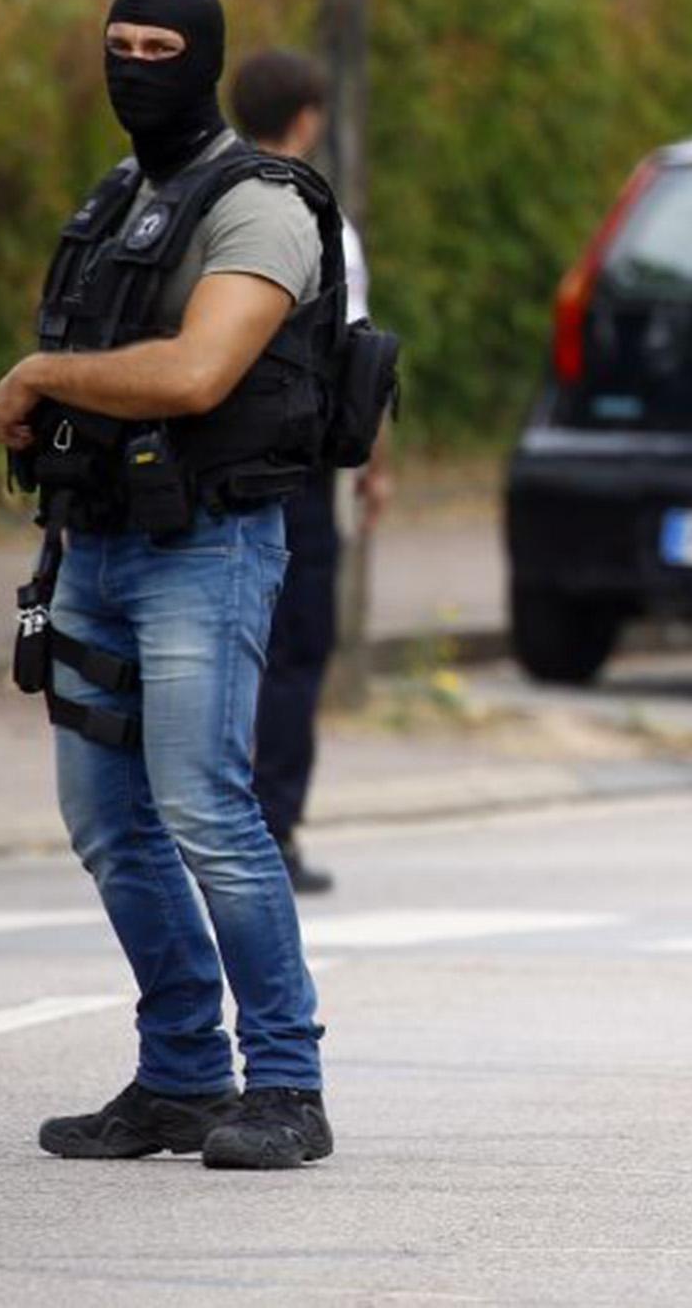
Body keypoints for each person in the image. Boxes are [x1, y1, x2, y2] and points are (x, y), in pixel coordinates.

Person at [0, 0, 336, 1170]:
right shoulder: (119, 198)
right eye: (118, 43)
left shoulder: (260, 207)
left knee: (204, 808)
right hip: (97, 548)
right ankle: (184, 1073)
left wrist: (36, 379)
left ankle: (285, 1082)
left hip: (209, 552)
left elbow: (197, 375)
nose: (135, 66)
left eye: (160, 46)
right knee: (105, 822)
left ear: (207, 59)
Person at [229, 48, 389, 896]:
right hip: (297, 470)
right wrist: (374, 467)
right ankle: (271, 831)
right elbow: (355, 356)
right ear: (308, 117)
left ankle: (198, 825)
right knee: (295, 648)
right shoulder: (318, 217)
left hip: (210, 461)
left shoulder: (202, 198)